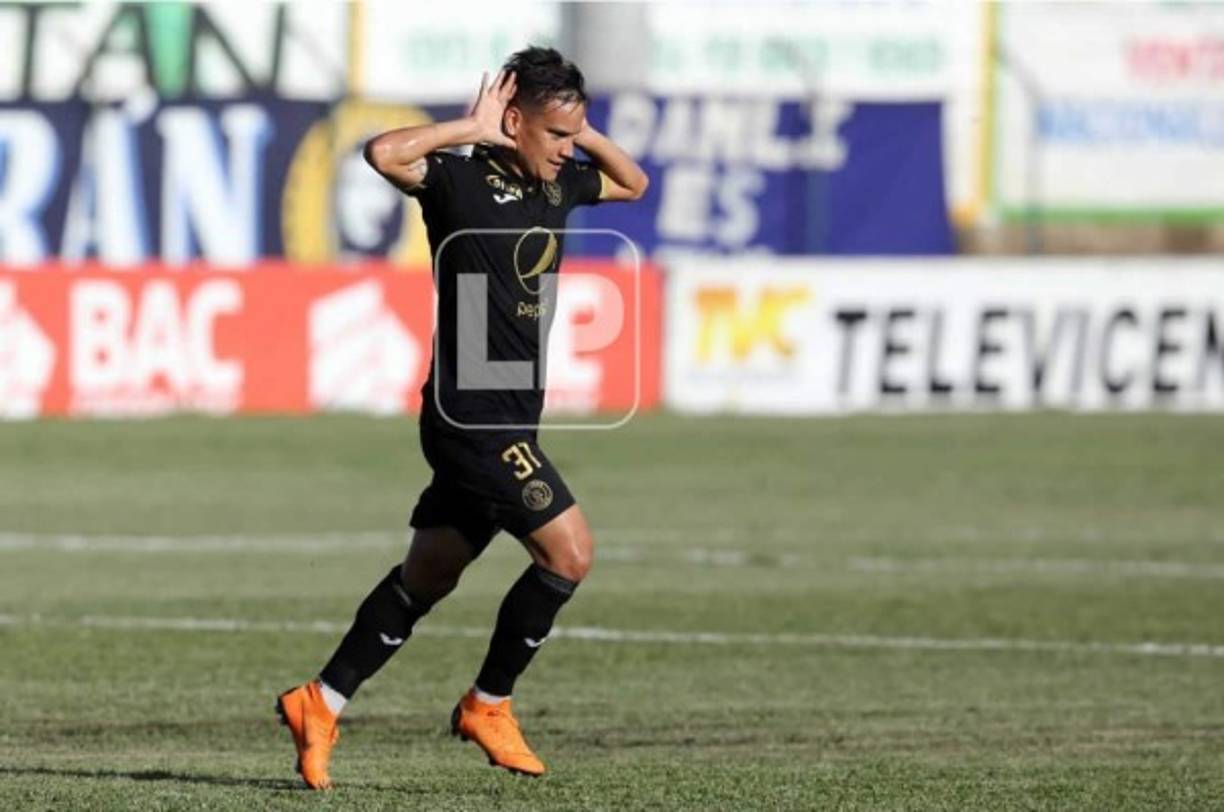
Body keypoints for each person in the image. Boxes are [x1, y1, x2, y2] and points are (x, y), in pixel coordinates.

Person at [276, 46, 648, 789]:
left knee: (428, 577)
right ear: (514, 122)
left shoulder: (560, 180)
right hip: (471, 416)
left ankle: (320, 700)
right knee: (569, 554)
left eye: (573, 140)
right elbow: (384, 152)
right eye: (555, 136)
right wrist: (470, 127)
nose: (569, 153)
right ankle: (489, 704)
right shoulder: (460, 180)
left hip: (511, 412)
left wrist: (578, 127)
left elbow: (633, 183)